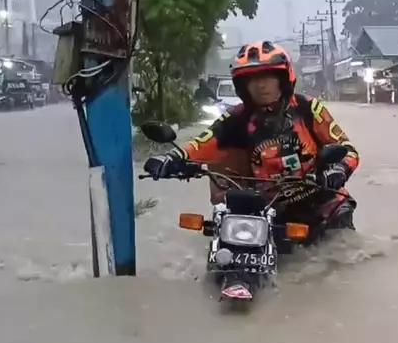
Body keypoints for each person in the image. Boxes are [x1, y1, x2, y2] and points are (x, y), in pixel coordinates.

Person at [143, 40, 360, 227]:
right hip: (264, 208)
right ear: (242, 86)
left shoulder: (309, 109)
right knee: (225, 238)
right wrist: (171, 160)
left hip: (319, 198)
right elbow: (202, 144)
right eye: (252, 79)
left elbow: (349, 150)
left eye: (267, 76)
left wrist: (339, 170)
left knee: (340, 245)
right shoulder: (235, 118)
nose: (260, 85)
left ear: (283, 80)